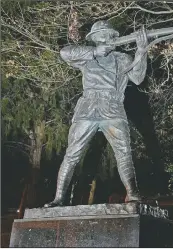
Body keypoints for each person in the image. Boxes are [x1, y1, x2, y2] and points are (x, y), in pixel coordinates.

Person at [44, 20, 148, 207]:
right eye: (100, 34)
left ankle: (132, 193)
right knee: (72, 154)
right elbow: (64, 52)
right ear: (94, 39)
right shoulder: (87, 57)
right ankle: (59, 198)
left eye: (107, 33)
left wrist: (141, 51)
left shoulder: (122, 58)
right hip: (88, 108)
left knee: (124, 153)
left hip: (113, 107)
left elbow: (138, 78)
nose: (105, 37)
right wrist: (93, 52)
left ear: (113, 36)